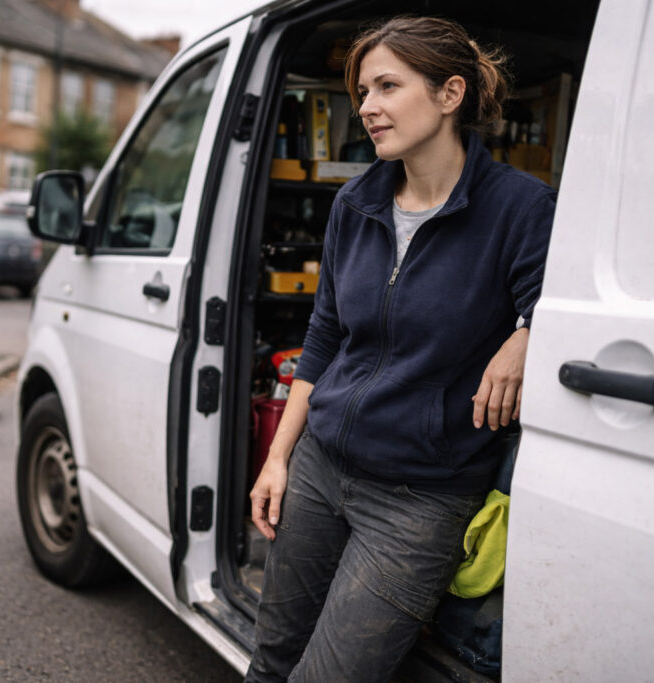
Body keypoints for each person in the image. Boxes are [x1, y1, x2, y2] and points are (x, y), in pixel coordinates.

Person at [245, 15, 557, 683]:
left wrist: (528, 332)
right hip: (321, 469)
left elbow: (562, 310)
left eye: (387, 86)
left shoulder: (521, 209)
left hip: (420, 500)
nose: (367, 108)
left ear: (450, 94)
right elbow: (325, 336)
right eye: (362, 92)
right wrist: (279, 458)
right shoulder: (354, 204)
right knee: (271, 659)